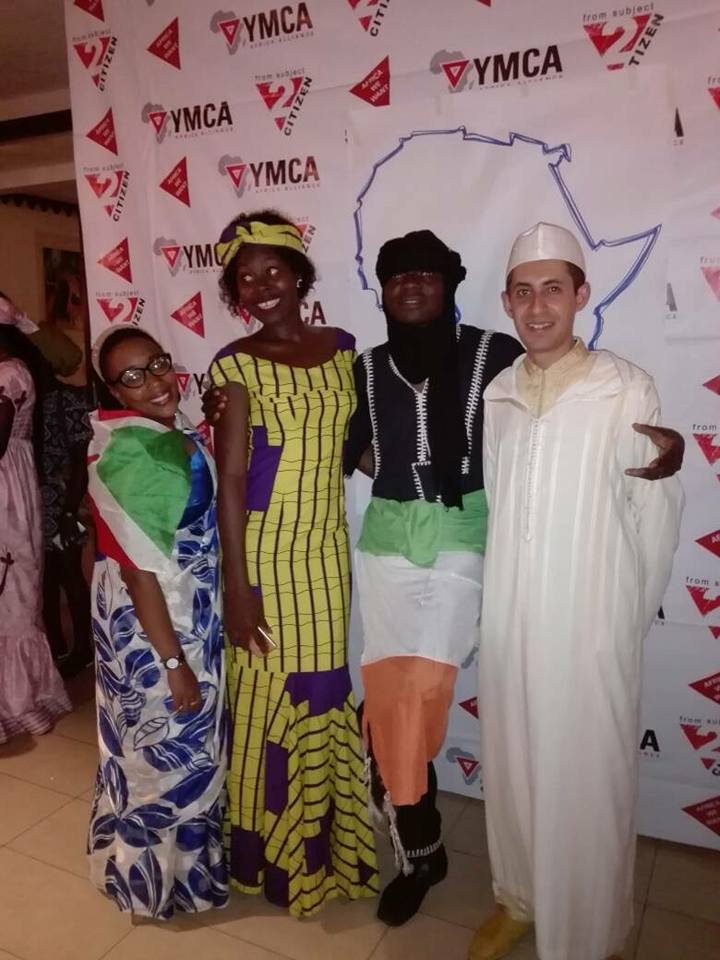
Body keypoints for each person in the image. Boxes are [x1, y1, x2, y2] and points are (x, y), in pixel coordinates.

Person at [469, 223, 684, 960]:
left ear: (581, 294)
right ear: (507, 301)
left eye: (553, 290)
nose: (538, 308)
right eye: (523, 293)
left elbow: (654, 517)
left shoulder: (624, 388)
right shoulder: (499, 393)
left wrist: (618, 620)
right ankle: (520, 897)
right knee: (514, 765)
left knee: (587, 782)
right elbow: (502, 507)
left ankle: (588, 934)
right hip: (511, 618)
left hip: (590, 620)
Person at [343, 230, 524, 926]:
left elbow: (545, 427)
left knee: (419, 692)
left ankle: (408, 820)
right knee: (391, 692)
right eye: (397, 276)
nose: (411, 286)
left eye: (425, 274)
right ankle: (420, 847)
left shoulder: (494, 354)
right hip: (388, 540)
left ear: (448, 285)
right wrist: (396, 474)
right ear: (383, 291)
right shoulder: (366, 367)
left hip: (462, 537)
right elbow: (351, 442)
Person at [208, 210, 378, 918]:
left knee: (324, 689)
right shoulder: (233, 365)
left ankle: (326, 847)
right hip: (266, 553)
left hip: (327, 550)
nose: (261, 286)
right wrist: (237, 587)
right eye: (245, 278)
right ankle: (274, 860)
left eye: (273, 270)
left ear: (301, 276)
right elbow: (231, 481)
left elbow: (356, 446)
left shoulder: (343, 351)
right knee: (269, 698)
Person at [86, 325, 228, 919]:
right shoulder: (133, 451)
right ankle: (154, 884)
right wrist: (173, 664)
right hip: (157, 625)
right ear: (114, 390)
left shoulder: (158, 431)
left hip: (179, 611)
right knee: (167, 750)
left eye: (158, 364)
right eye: (132, 377)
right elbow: (140, 573)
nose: (154, 382)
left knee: (171, 747)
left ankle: (177, 875)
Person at [0, 320, 71, 743]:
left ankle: (18, 701)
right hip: (10, 486)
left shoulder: (9, 372)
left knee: (11, 593)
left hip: (5, 494)